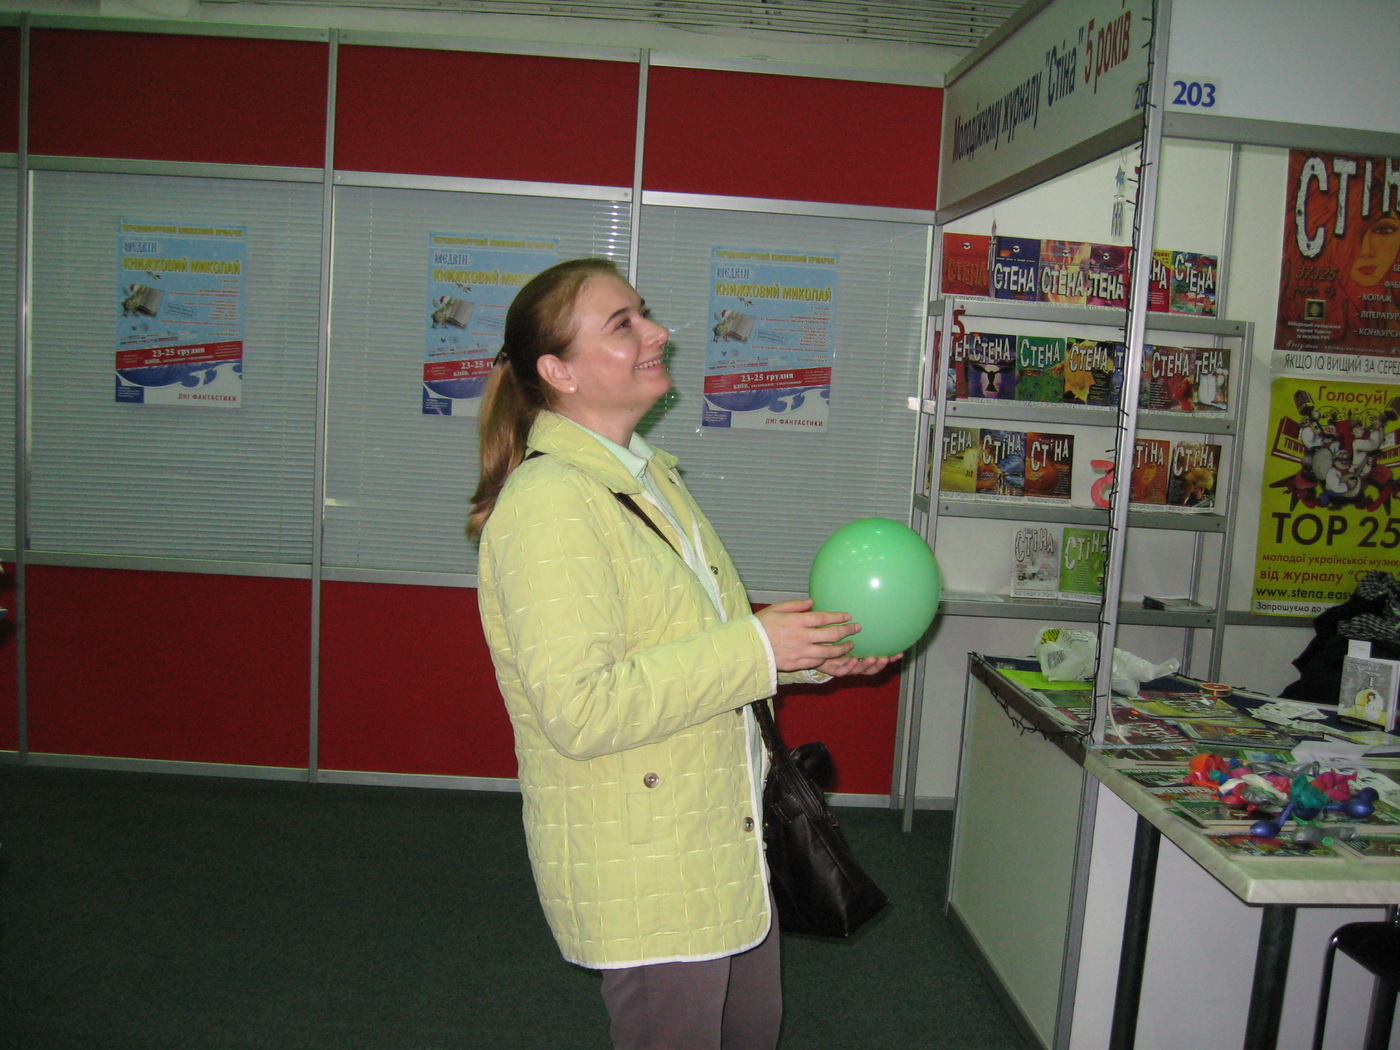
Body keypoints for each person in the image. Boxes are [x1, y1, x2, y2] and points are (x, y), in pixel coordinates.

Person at [469, 258, 894, 1050]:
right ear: (559, 372)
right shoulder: (548, 505)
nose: (657, 332)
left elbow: (691, 642)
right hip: (649, 863)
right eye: (622, 324)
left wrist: (808, 655)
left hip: (720, 836)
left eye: (645, 313)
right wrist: (757, 647)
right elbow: (581, 708)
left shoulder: (646, 477)